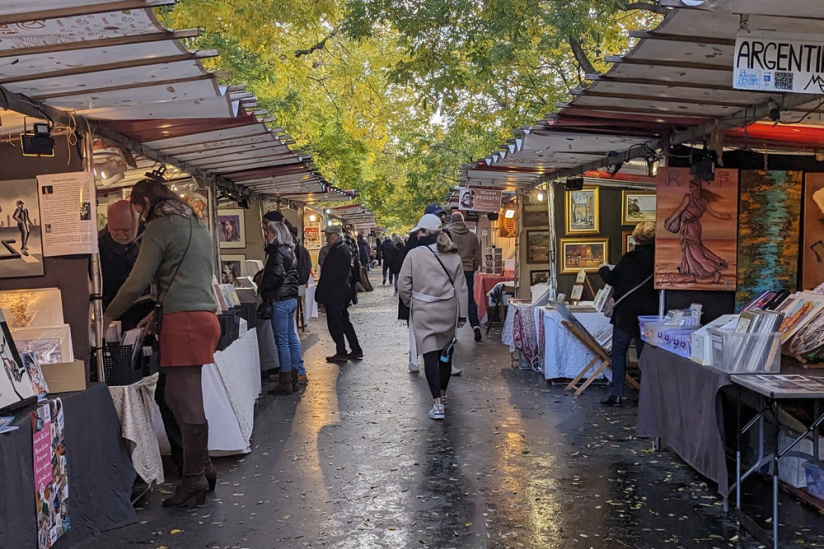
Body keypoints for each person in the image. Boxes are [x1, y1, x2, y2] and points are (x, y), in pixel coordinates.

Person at [103, 179, 220, 508]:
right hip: (199, 317)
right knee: (172, 395)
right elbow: (190, 277)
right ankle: (204, 467)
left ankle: (194, 477)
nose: (136, 215)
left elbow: (135, 282)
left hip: (183, 322)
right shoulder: (194, 223)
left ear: (143, 202)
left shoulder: (160, 227)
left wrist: (105, 316)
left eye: (136, 207)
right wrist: (158, 313)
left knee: (186, 399)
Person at [398, 214, 468, 420]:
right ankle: (444, 396)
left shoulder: (413, 254)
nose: (417, 234)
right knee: (445, 355)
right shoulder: (453, 255)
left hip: (423, 310)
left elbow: (403, 285)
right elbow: (461, 288)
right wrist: (462, 315)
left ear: (425, 233)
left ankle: (437, 404)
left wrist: (412, 303)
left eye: (419, 231)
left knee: (429, 356)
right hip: (448, 310)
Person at [597, 221, 657, 407]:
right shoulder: (659, 258)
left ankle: (617, 394)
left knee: (619, 352)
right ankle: (646, 394)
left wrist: (603, 268)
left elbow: (613, 279)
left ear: (637, 237)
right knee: (644, 355)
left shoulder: (631, 258)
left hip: (626, 314)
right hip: (650, 314)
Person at [662, 175, 732, 284]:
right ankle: (694, 272)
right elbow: (716, 214)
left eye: (692, 186)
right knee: (692, 250)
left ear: (697, 187)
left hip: (690, 227)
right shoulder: (703, 201)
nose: (690, 188)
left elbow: (679, 210)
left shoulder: (689, 198)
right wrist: (725, 216)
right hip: (695, 227)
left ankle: (711, 268)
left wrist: (669, 222)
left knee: (694, 249)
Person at [260, 221, 304, 394]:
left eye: (269, 232)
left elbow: (276, 274)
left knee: (282, 340)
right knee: (291, 338)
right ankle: (295, 374)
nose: (266, 235)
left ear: (276, 234)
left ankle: (285, 380)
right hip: (290, 298)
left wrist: (265, 289)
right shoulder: (289, 250)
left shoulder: (277, 251)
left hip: (280, 298)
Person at [315, 225, 363, 363]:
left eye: (329, 236)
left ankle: (342, 351)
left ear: (335, 236)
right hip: (340, 293)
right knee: (343, 322)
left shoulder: (339, 250)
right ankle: (355, 349)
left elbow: (334, 275)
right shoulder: (341, 249)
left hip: (336, 294)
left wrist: (324, 292)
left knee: (336, 323)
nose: (327, 238)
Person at [449, 212, 483, 341]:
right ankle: (475, 325)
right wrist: (474, 267)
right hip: (468, 270)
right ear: (463, 221)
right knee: (469, 298)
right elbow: (478, 256)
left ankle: (453, 331)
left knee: (452, 299)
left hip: (452, 270)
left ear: (452, 221)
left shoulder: (448, 235)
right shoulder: (472, 236)